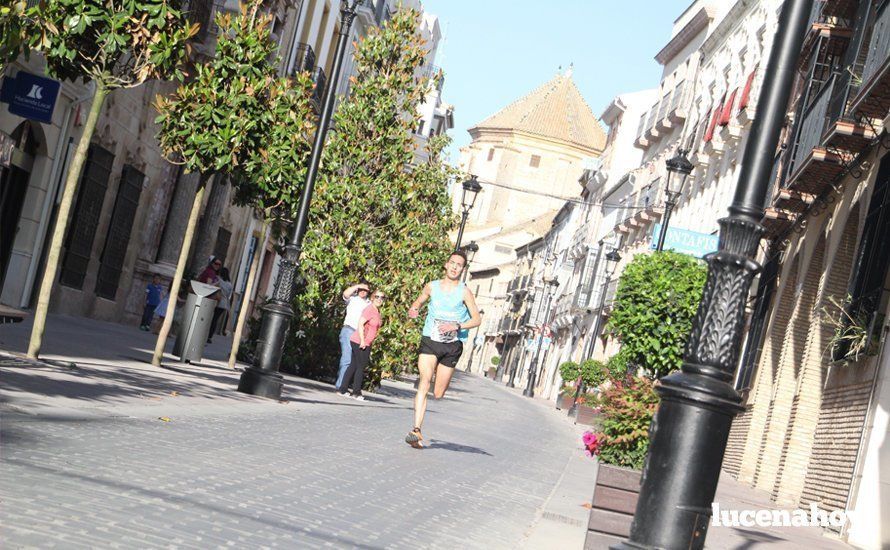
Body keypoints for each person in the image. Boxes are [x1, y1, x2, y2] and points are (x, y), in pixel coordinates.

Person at [405, 250, 481, 448]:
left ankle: (433, 387)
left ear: (463, 270)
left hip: (452, 345)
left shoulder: (465, 292)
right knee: (424, 380)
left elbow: (477, 319)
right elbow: (418, 302)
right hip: (430, 339)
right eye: (452, 263)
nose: (455, 267)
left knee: (438, 393)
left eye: (459, 265)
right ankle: (416, 430)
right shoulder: (432, 286)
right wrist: (414, 309)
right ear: (446, 265)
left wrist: (456, 326)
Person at [336, 289, 385, 400]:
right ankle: (356, 392)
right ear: (372, 297)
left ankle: (342, 389)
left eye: (382, 297)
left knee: (354, 364)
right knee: (360, 366)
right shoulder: (369, 310)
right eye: (377, 296)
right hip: (360, 341)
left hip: (364, 341)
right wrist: (363, 341)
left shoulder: (376, 311)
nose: (379, 299)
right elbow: (360, 323)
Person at [335, 281, 371, 388]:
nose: (363, 292)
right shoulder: (353, 299)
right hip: (349, 330)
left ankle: (344, 385)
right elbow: (345, 293)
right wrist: (358, 286)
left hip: (359, 333)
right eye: (361, 289)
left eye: (365, 290)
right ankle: (340, 386)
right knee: (347, 359)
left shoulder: (369, 303)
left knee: (355, 361)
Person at [209, 267, 233, 343]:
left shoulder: (219, 281)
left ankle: (207, 334)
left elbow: (211, 286)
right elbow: (229, 295)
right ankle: (210, 336)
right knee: (215, 319)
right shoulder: (230, 284)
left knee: (211, 318)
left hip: (215, 300)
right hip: (223, 304)